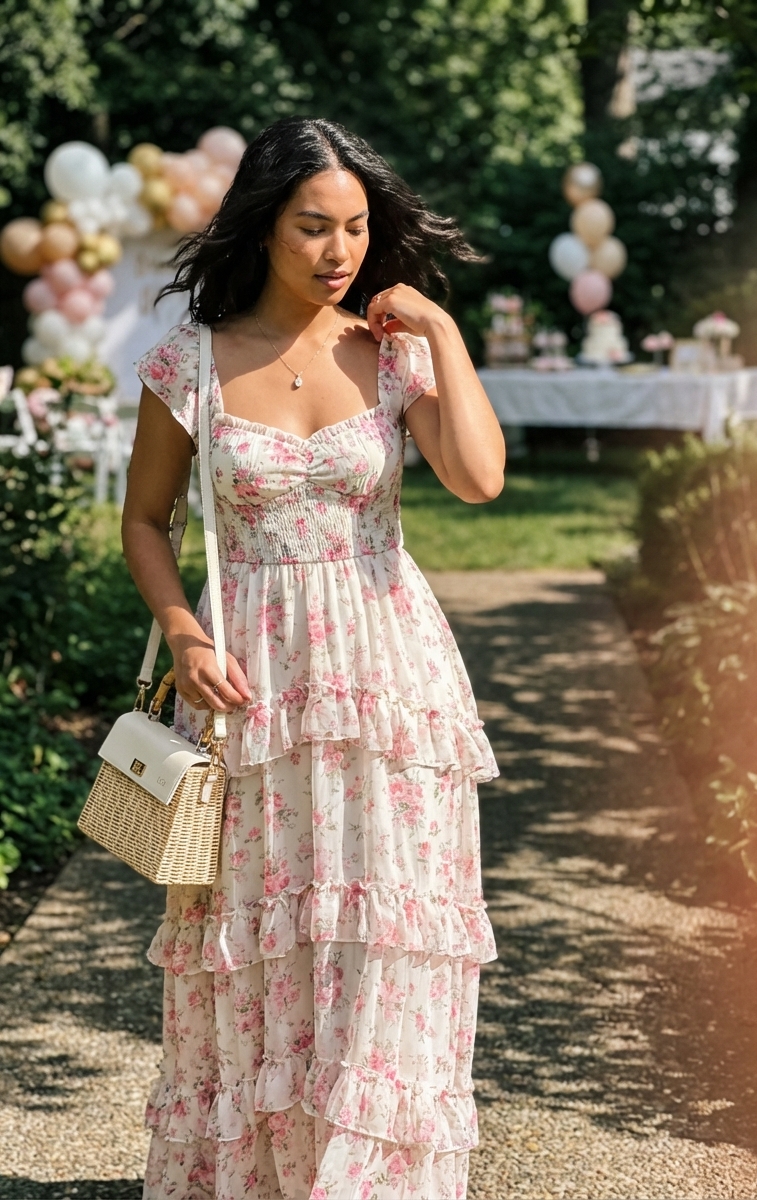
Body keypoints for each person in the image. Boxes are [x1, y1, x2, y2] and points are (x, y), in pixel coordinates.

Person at [123, 116, 505, 1200]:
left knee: (382, 938)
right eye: (312, 227)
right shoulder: (187, 361)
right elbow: (144, 521)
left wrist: (436, 325)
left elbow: (477, 479)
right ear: (263, 224)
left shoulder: (389, 352)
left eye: (354, 228)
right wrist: (186, 634)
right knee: (260, 942)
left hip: (389, 686)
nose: (338, 249)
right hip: (251, 690)